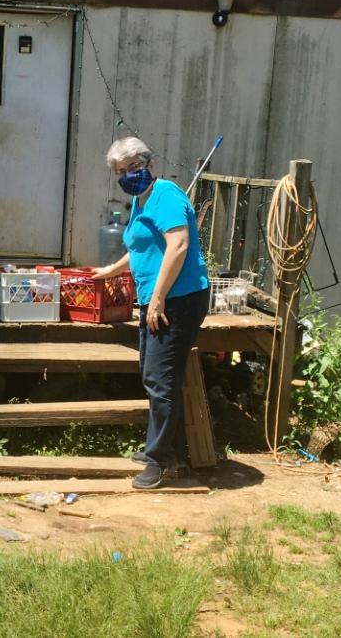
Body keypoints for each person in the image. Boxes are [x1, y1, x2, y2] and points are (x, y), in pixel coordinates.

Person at [93, 136, 210, 489]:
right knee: (153, 374)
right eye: (120, 171)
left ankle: (160, 461)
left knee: (161, 380)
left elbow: (179, 245)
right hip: (156, 300)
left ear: (148, 163)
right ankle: (165, 452)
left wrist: (158, 298)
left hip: (178, 300)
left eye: (132, 167)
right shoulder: (140, 201)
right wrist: (110, 270)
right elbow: (142, 248)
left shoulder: (167, 195)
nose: (127, 175)